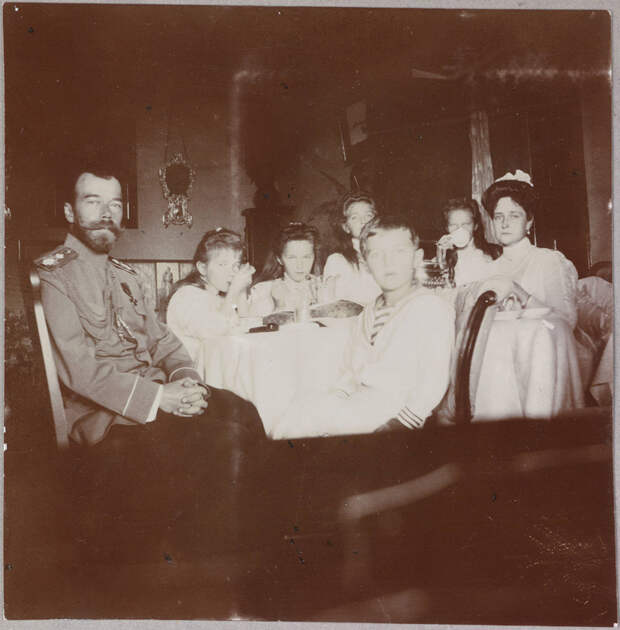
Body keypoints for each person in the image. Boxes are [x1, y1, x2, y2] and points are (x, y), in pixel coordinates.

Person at [271, 215, 455, 439]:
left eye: (399, 252)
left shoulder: (430, 307)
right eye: (377, 255)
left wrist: (399, 425)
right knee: (294, 413)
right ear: (366, 264)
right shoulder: (369, 312)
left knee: (298, 426)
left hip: (396, 416)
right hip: (360, 404)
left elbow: (433, 383)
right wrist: (335, 398)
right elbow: (351, 370)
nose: (388, 263)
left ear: (417, 258)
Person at [482, 170, 579, 328]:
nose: (505, 224)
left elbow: (567, 322)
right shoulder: (489, 270)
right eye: (498, 217)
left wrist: (519, 293)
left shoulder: (548, 261)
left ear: (529, 222)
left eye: (514, 216)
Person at [166, 228, 255, 343]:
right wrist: (234, 291)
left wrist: (241, 291)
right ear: (203, 268)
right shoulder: (186, 295)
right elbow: (213, 333)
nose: (233, 272)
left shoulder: (221, 298)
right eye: (223, 264)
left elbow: (245, 328)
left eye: (236, 265)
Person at [248, 222, 324, 317]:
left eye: (306, 257)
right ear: (279, 259)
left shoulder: (323, 287)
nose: (300, 265)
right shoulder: (262, 290)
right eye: (292, 258)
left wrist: (323, 302)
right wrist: (279, 307)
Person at [322, 190, 381, 306]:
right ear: (346, 227)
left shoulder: (387, 256)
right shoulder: (337, 260)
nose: (363, 221)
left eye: (368, 215)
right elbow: (330, 305)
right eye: (355, 217)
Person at [436, 197, 499, 286]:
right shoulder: (444, 257)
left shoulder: (491, 255)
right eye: (453, 225)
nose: (459, 229)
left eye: (466, 224)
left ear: (475, 226)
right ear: (447, 228)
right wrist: (441, 255)